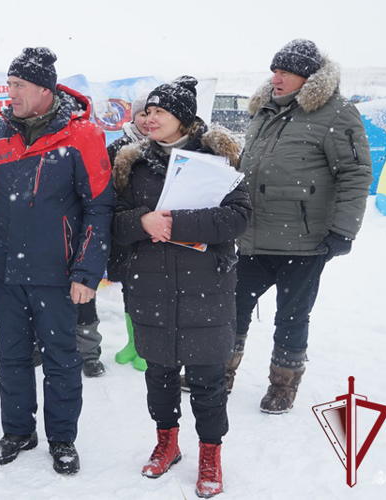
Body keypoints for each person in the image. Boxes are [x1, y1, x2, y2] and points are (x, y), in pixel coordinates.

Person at [0, 47, 113, 475]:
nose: (10, 93)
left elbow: (98, 207)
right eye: (9, 85)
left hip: (56, 272)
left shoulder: (81, 135)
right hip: (4, 269)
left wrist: (87, 271)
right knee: (10, 355)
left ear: (45, 90)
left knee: (61, 358)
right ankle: (17, 431)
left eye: (18, 86)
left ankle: (62, 439)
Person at [111, 77, 252, 498]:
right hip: (150, 285)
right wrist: (142, 222)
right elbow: (115, 223)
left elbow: (240, 217)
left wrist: (177, 221)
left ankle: (211, 452)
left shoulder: (219, 161)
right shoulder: (130, 165)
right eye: (148, 111)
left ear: (184, 118)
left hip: (206, 287)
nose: (150, 118)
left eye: (160, 111)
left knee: (208, 378)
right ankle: (167, 442)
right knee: (159, 373)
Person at [234, 39, 372, 414]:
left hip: (304, 240)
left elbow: (356, 173)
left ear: (308, 77)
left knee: (292, 317)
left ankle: (283, 386)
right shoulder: (262, 111)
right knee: (232, 306)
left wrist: (343, 230)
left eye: (285, 72)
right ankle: (219, 373)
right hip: (251, 234)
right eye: (274, 71)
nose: (276, 79)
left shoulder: (337, 113)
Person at [107, 93, 150, 373]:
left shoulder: (168, 147)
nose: (148, 120)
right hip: (125, 230)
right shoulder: (118, 147)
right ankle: (133, 342)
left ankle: (148, 346)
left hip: (157, 230)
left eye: (154, 113)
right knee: (129, 288)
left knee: (153, 292)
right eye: (143, 113)